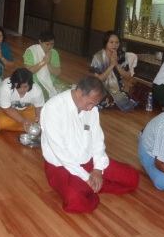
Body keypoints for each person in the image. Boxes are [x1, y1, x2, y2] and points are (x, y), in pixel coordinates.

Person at [40, 77, 139, 213]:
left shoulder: (92, 109)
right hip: (62, 166)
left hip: (89, 161)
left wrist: (98, 170)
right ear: (80, 92)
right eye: (90, 103)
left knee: (133, 178)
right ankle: (90, 187)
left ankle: (92, 187)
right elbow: (61, 153)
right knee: (76, 201)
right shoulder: (53, 108)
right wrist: (87, 177)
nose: (91, 108)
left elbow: (98, 140)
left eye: (95, 104)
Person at [90, 31, 137, 111]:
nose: (114, 45)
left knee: (135, 91)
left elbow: (128, 76)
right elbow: (98, 80)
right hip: (102, 87)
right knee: (97, 96)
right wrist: (111, 65)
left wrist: (116, 64)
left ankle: (112, 100)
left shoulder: (121, 55)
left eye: (117, 42)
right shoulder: (98, 57)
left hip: (119, 87)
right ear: (106, 43)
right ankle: (110, 100)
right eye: (111, 42)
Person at [23, 31, 69, 101]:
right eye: (47, 44)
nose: (50, 47)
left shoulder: (54, 53)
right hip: (35, 81)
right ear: (40, 42)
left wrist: (48, 63)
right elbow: (29, 72)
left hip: (51, 80)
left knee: (66, 94)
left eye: (52, 44)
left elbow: (57, 72)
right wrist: (43, 62)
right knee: (45, 98)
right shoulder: (31, 51)